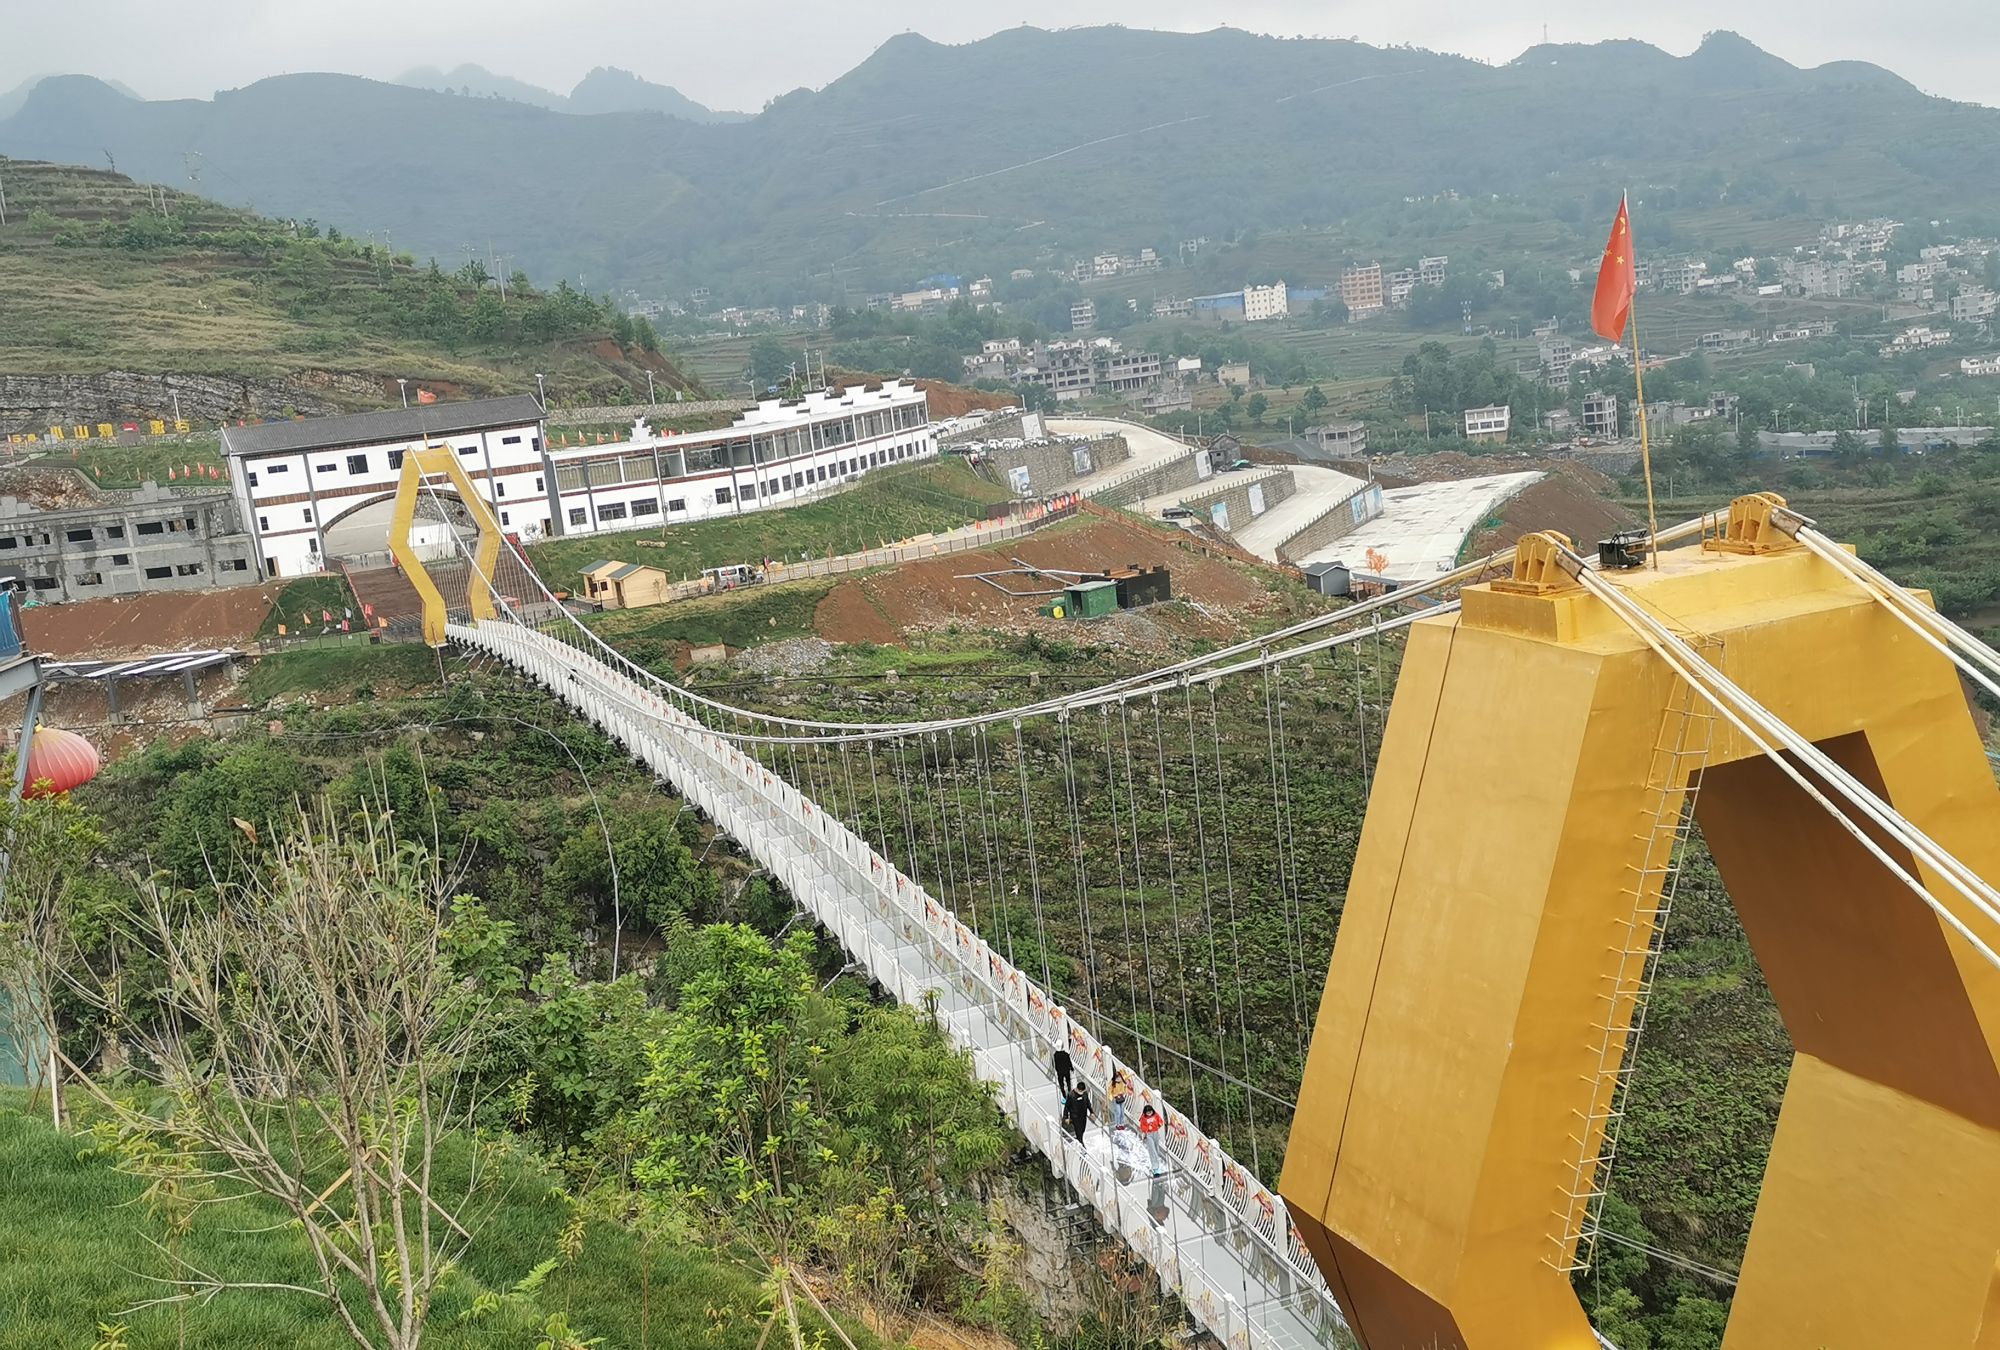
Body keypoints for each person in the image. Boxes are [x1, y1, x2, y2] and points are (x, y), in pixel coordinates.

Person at [1139, 1103, 1164, 1175]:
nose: (1149, 1113)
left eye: (1150, 1112)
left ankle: (1157, 1164)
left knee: (1156, 1149)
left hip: (1155, 1133)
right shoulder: (1143, 1118)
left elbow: (1160, 1121)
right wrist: (1147, 1128)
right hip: (1149, 1135)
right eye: (1148, 1112)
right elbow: (1142, 1127)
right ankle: (1155, 1168)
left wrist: (1159, 1125)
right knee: (1152, 1150)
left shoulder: (1155, 1115)